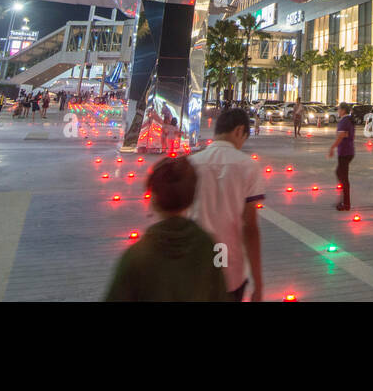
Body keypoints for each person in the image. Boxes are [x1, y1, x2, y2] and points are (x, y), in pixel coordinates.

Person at [104, 157, 228, 301]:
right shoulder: (210, 246)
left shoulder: (136, 257)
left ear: (153, 199)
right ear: (192, 197)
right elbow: (221, 295)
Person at [188, 108, 266, 301]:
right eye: (244, 138)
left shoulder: (190, 163)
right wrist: (258, 282)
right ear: (239, 131)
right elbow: (250, 227)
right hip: (230, 269)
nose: (241, 145)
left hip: (194, 265)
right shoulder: (248, 166)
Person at [328, 102, 355, 210]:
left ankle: (346, 204)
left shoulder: (344, 121)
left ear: (343, 110)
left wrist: (332, 147)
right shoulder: (349, 120)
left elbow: (341, 135)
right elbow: (347, 134)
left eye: (339, 109)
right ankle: (343, 200)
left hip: (344, 152)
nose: (338, 111)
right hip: (349, 151)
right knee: (340, 174)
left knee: (343, 177)